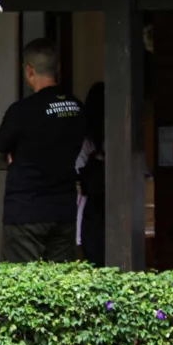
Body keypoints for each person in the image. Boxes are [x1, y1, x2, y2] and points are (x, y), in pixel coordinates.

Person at [0, 38, 86, 263]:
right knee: (60, 285)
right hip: (63, 209)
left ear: (28, 70)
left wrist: (11, 161)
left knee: (22, 284)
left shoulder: (22, 111)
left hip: (26, 211)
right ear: (57, 68)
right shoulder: (77, 107)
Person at [78, 83, 106, 268]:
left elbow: (76, 177)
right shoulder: (123, 138)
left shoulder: (84, 141)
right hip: (107, 210)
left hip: (90, 213)